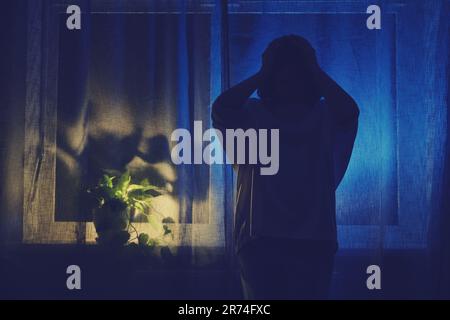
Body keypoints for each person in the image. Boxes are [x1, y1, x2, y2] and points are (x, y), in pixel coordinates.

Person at [211, 35, 359, 299]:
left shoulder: (324, 115)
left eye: (298, 73)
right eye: (283, 74)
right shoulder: (252, 115)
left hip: (307, 240)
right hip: (266, 239)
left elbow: (349, 112)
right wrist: (269, 72)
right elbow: (221, 108)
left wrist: (301, 69)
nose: (290, 82)